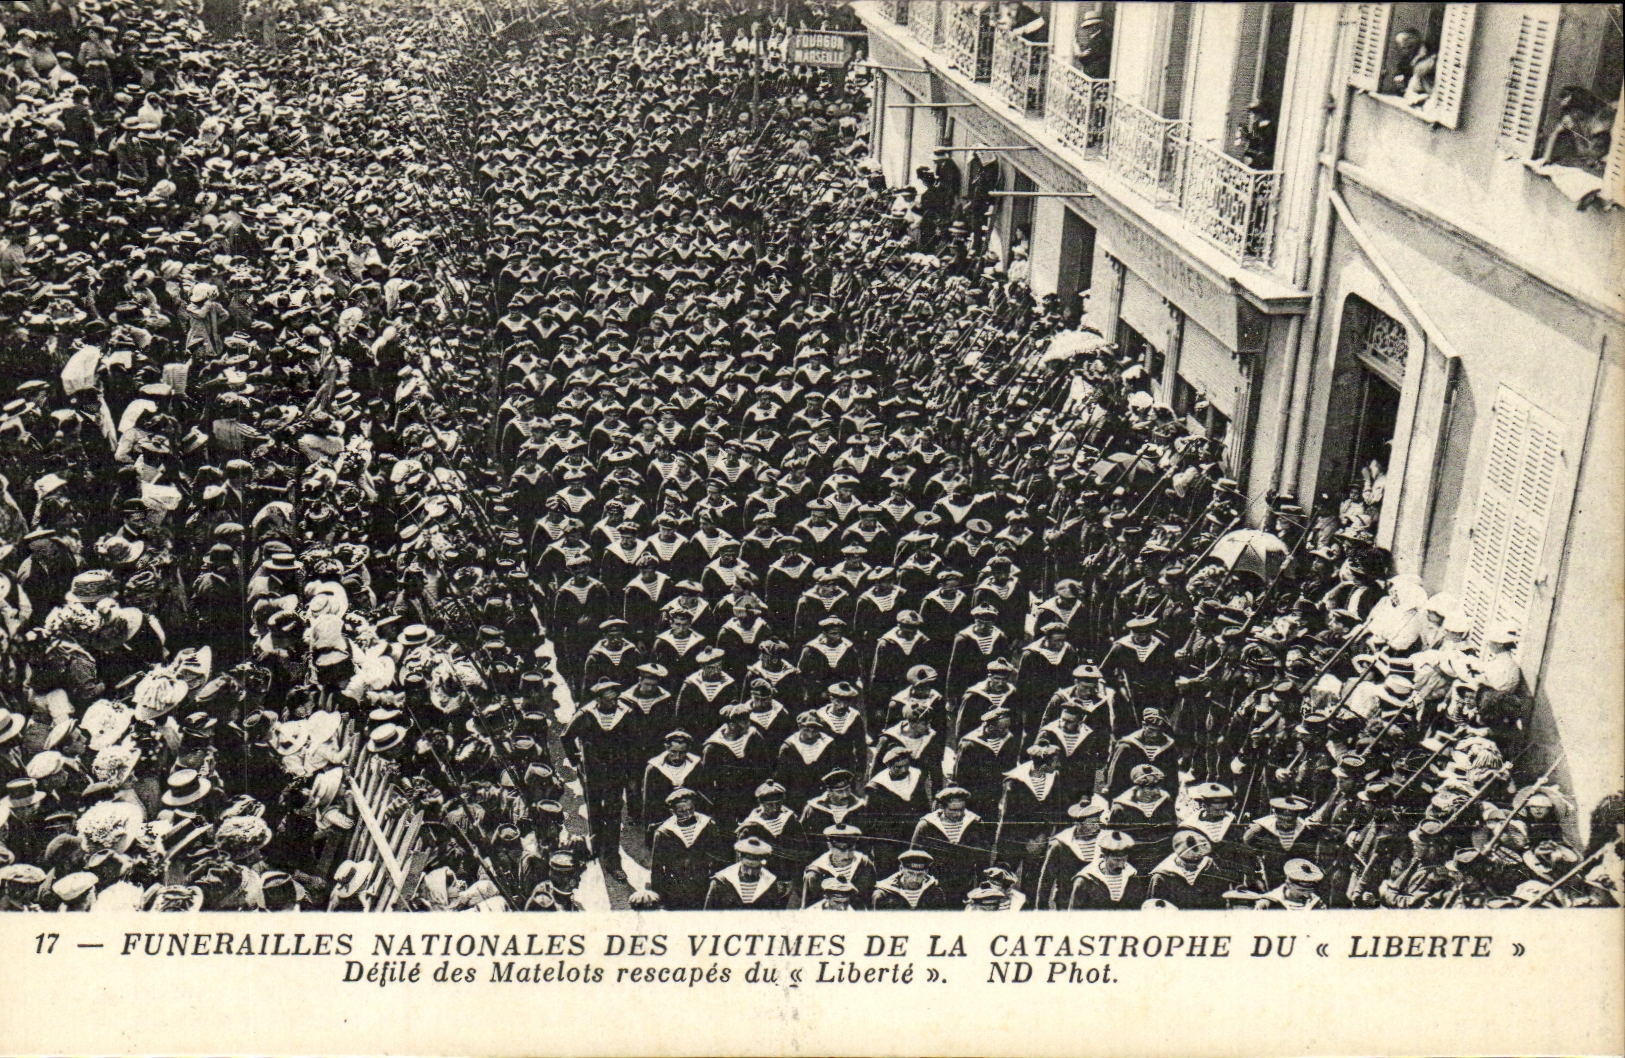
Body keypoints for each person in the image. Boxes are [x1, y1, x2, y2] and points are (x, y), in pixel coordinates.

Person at [648, 788, 730, 911]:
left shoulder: (707, 825)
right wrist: (658, 896)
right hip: (676, 889)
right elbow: (657, 868)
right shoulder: (664, 832)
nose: (688, 814)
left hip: (704, 884)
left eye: (691, 809)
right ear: (672, 811)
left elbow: (719, 856)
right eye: (682, 811)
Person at [703, 836, 788, 910]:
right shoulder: (721, 882)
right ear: (740, 860)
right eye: (746, 867)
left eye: (755, 868)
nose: (750, 872)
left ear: (762, 864)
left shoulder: (770, 882)